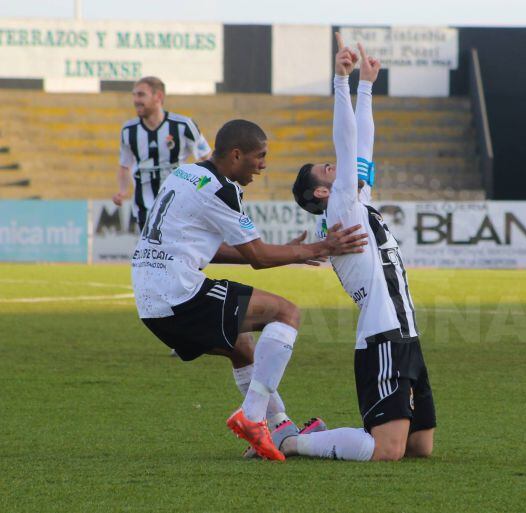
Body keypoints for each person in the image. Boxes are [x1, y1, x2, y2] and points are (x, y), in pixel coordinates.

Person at [131, 118, 367, 461]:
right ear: (237, 155)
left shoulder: (186, 174)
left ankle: (280, 427)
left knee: (242, 345)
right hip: (178, 293)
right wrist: (318, 248)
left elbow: (209, 248)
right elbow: (257, 256)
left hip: (152, 301)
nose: (263, 165)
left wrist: (286, 251)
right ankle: (253, 417)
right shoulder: (221, 190)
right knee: (286, 313)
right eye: (260, 156)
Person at [286, 35, 435, 461]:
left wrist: (367, 85)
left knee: (419, 449)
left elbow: (362, 146)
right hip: (382, 336)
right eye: (329, 168)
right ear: (321, 190)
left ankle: (318, 433)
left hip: (406, 332)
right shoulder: (340, 209)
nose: (341, 166)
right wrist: (342, 81)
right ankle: (294, 441)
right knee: (387, 452)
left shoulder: (357, 202)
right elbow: (348, 141)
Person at [113, 76, 211, 229]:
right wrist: (122, 191)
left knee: (178, 250)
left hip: (179, 204)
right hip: (144, 207)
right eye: (134, 95)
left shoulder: (184, 126)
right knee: (151, 251)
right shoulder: (128, 130)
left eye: (141, 95)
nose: (136, 100)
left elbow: (208, 161)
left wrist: (199, 188)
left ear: (158, 96)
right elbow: (124, 166)